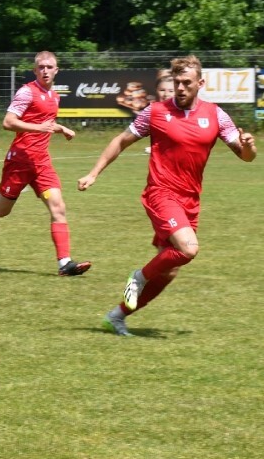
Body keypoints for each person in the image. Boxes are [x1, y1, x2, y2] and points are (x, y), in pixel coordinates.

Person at [77, 55, 256, 336]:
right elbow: (120, 141)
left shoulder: (216, 115)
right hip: (161, 193)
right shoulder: (156, 112)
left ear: (200, 83)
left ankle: (116, 316)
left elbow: (245, 156)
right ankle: (138, 277)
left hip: (190, 200)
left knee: (170, 269)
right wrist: (94, 173)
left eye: (187, 82)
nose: (181, 88)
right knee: (188, 249)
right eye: (177, 82)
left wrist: (248, 146)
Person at [0, 50, 92, 276]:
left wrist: (61, 128)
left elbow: (46, 122)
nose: (45, 70)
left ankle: (65, 264)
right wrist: (39, 128)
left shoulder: (54, 96)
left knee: (58, 208)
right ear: (35, 70)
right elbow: (8, 122)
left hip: (41, 162)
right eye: (41, 67)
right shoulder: (27, 92)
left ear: (56, 70)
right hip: (20, 160)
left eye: (49, 67)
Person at [144, 73, 175, 154]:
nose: (166, 94)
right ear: (156, 90)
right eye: (162, 90)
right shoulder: (151, 111)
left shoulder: (184, 110)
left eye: (171, 91)